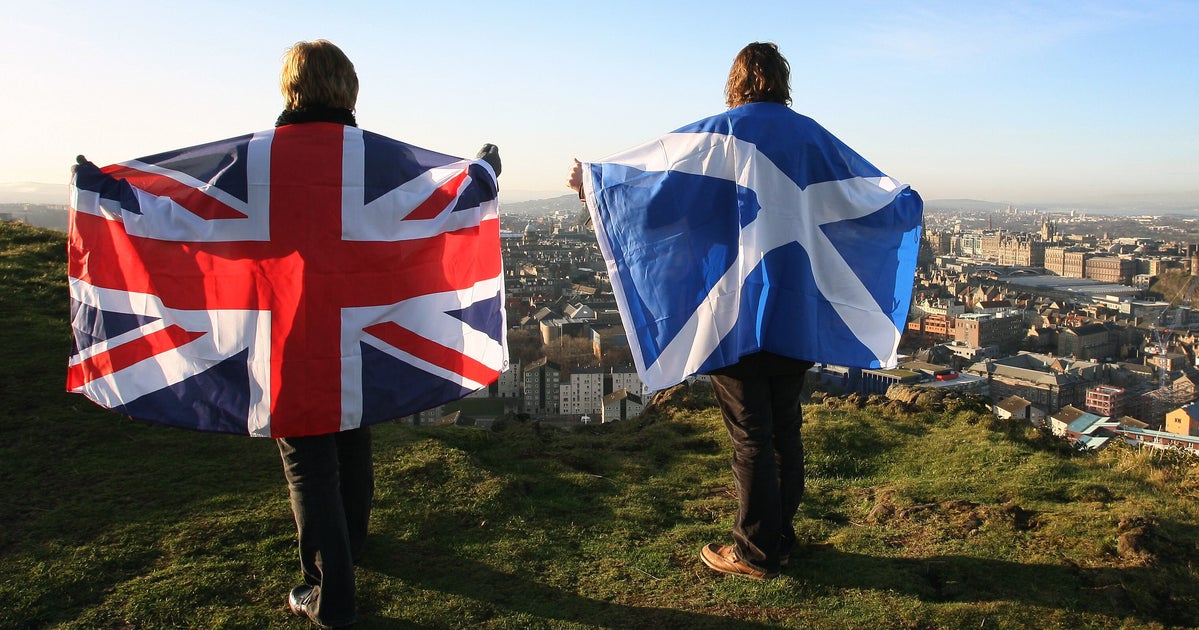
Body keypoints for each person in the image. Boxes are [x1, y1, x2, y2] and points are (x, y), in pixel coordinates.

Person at [566, 42, 814, 580]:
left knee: (751, 431)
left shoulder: (720, 136)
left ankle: (755, 552)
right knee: (784, 429)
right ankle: (780, 536)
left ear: (737, 83)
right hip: (796, 308)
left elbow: (660, 194)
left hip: (737, 309)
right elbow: (857, 192)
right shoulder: (808, 138)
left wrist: (595, 185)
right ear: (782, 82)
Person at [275, 40, 500, 627]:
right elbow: (428, 204)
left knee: (309, 460)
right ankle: (354, 545)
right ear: (348, 90)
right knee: (350, 436)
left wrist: (107, 194)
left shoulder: (261, 161)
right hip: (360, 331)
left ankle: (331, 595)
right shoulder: (369, 161)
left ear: (290, 88)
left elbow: (185, 214)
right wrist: (477, 177)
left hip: (291, 334)